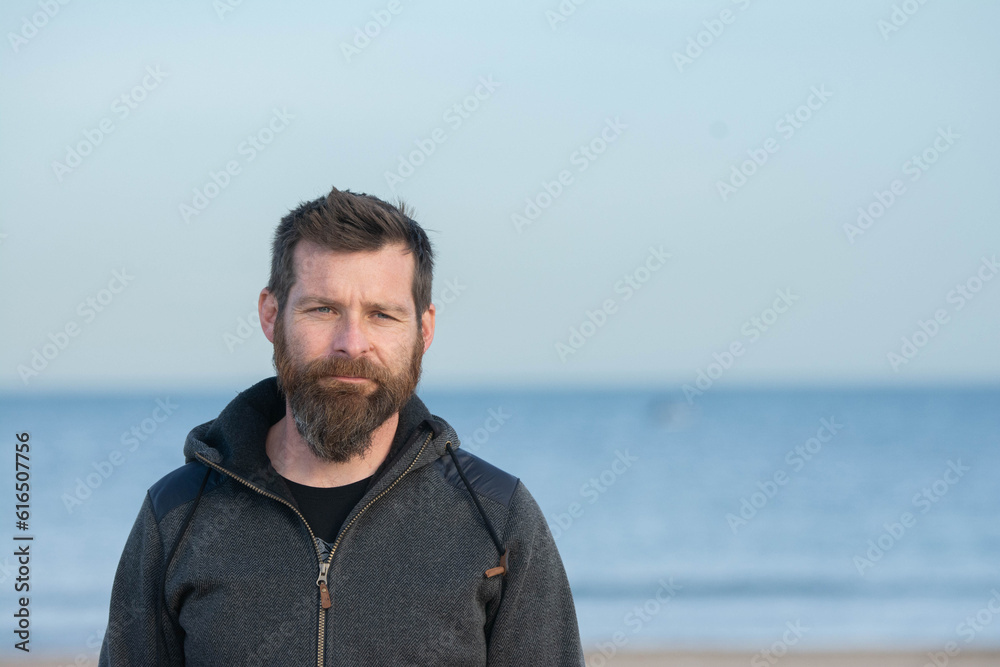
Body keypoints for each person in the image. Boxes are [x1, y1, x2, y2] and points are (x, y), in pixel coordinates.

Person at [98, 186, 585, 666]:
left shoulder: (497, 518)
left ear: (424, 329)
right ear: (272, 315)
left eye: (382, 314)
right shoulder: (178, 516)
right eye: (323, 309)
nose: (352, 343)